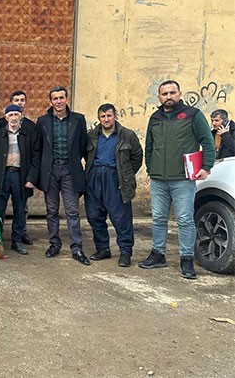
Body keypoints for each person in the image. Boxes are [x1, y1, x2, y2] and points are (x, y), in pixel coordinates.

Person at [141, 80, 215, 279]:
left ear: (179, 94)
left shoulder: (193, 115)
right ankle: (158, 254)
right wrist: (151, 169)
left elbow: (207, 142)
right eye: (164, 94)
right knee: (158, 219)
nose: (168, 97)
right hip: (158, 180)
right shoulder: (155, 118)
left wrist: (206, 167)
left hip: (183, 179)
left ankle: (187, 259)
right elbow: (149, 146)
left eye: (172, 92)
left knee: (184, 220)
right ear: (159, 97)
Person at [84, 103, 143, 267]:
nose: (106, 119)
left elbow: (137, 157)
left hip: (115, 178)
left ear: (115, 116)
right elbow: (85, 155)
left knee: (121, 217)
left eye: (109, 115)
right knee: (94, 215)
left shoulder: (127, 135)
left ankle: (125, 252)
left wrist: (125, 175)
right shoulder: (91, 136)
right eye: (103, 116)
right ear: (99, 118)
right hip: (94, 177)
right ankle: (103, 248)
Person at [37, 86, 90, 265]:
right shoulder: (42, 121)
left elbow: (83, 145)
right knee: (51, 210)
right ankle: (54, 243)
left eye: (61, 98)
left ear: (66, 99)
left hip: (69, 170)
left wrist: (74, 163)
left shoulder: (78, 119)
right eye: (55, 98)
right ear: (50, 101)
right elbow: (39, 148)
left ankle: (77, 248)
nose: (58, 101)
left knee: (72, 211)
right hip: (50, 171)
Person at [0, 104, 41, 255]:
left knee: (19, 209)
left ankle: (16, 240)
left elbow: (36, 158)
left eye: (17, 115)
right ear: (5, 118)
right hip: (1, 176)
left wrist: (31, 178)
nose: (14, 118)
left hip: (20, 176)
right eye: (10, 115)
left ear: (21, 116)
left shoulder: (29, 134)